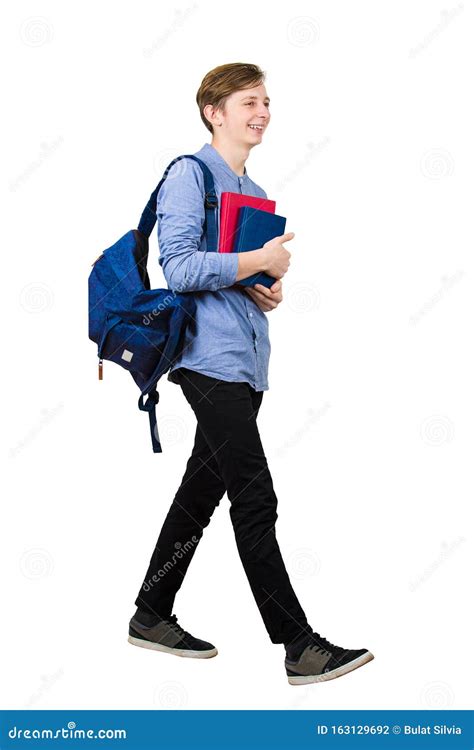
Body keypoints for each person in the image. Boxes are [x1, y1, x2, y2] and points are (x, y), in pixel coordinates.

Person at [129, 62, 374, 685]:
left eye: (266, 101)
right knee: (254, 494)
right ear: (214, 111)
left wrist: (264, 286)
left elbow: (233, 273)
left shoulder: (252, 188)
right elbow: (180, 267)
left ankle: (151, 613)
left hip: (244, 362)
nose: (262, 111)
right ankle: (298, 644)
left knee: (199, 494)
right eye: (248, 101)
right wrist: (252, 260)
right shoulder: (190, 175)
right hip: (204, 360)